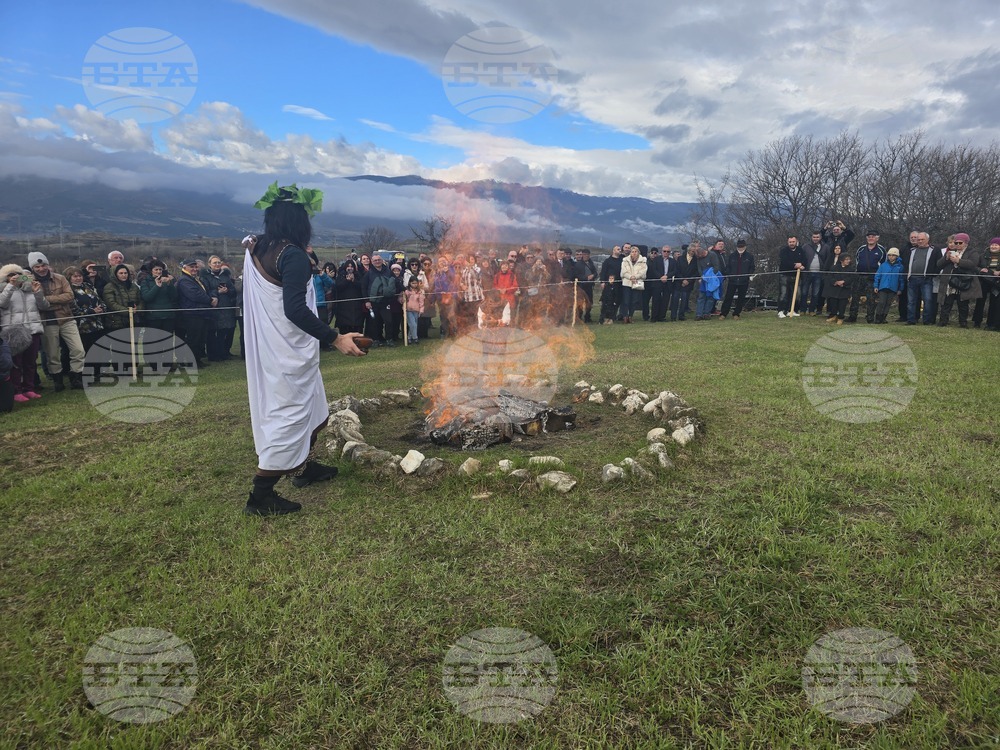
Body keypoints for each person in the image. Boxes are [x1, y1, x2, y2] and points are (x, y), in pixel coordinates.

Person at [242, 182, 365, 516]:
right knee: (289, 417)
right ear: (298, 222)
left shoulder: (259, 247)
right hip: (286, 352)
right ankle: (260, 496)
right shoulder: (292, 255)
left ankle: (303, 469)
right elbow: (294, 310)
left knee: (314, 410)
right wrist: (335, 337)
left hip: (278, 348)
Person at [29, 252, 86, 391]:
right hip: (47, 321)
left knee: (78, 350)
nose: (41, 269)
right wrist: (57, 300)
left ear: (48, 265)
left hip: (66, 318)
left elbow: (69, 296)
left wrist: (46, 299)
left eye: (43, 265)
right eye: (37, 267)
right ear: (33, 268)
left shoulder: (60, 278)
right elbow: (35, 304)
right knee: (52, 354)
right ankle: (58, 380)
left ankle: (76, 377)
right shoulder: (29, 282)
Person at [0, 264, 49, 402]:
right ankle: (16, 390)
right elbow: (2, 303)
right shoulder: (4, 290)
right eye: (11, 275)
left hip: (33, 329)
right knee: (16, 363)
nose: (15, 277)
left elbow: (44, 306)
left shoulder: (29, 289)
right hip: (13, 332)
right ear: (5, 277)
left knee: (30, 362)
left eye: (18, 274)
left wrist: (38, 292)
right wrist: (11, 286)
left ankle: (29, 388)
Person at [937, 233, 982, 328]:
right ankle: (943, 321)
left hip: (964, 281)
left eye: (959, 243)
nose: (957, 245)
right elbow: (939, 264)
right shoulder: (950, 251)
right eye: (956, 242)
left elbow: (973, 264)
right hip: (949, 281)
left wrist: (958, 261)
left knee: (963, 303)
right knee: (946, 303)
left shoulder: (972, 252)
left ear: (966, 243)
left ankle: (963, 322)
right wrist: (946, 258)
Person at [176, 258, 215, 368]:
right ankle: (190, 362)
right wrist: (210, 300)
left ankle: (197, 359)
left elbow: (206, 290)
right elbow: (195, 295)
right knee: (193, 339)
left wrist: (212, 296)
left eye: (195, 267)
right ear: (184, 268)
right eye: (191, 267)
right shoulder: (184, 280)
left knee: (200, 338)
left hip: (200, 313)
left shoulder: (194, 279)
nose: (194, 269)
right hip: (192, 314)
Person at [65, 265, 107, 356]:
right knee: (86, 351)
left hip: (97, 324)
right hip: (82, 327)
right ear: (69, 278)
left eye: (80, 276)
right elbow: (73, 309)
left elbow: (99, 299)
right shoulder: (69, 290)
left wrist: (102, 308)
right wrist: (91, 311)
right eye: (75, 276)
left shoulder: (88, 286)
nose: (78, 278)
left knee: (99, 351)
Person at [204, 255, 240, 361]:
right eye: (214, 263)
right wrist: (217, 292)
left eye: (219, 262)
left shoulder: (225, 277)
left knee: (224, 332)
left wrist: (227, 290)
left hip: (227, 307)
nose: (217, 265)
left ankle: (224, 353)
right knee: (212, 334)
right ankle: (213, 355)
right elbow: (205, 291)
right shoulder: (205, 277)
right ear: (209, 264)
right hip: (214, 309)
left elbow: (234, 291)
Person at [851, 229, 886, 323]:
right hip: (859, 276)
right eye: (869, 237)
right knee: (855, 297)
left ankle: (870, 317)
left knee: (871, 299)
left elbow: (883, 265)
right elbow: (857, 261)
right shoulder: (861, 249)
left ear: (877, 238)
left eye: (873, 237)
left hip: (872, 277)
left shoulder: (881, 250)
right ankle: (852, 316)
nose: (871, 238)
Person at [905, 232, 939, 325]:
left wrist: (932, 274)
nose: (919, 241)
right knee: (911, 301)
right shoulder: (912, 250)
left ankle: (927, 320)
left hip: (926, 279)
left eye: (922, 239)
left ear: (927, 240)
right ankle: (911, 320)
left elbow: (938, 264)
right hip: (912, 279)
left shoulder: (934, 250)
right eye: (918, 239)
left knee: (928, 300)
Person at [720, 240, 755, 319]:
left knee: (741, 298)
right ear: (737, 247)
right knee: (728, 297)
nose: (740, 248)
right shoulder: (732, 256)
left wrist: (748, 275)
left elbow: (752, 267)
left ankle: (736, 313)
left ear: (745, 246)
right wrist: (729, 274)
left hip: (744, 281)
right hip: (732, 280)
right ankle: (723, 313)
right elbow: (728, 267)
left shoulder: (749, 256)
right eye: (739, 246)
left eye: (742, 246)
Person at [972, 237, 1000, 330]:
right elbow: (975, 266)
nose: (994, 246)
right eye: (992, 245)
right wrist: (980, 270)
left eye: (996, 245)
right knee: (980, 301)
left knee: (994, 302)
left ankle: (991, 323)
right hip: (984, 280)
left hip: (997, 282)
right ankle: (977, 321)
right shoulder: (983, 255)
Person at [873, 247, 905, 323]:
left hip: (893, 288)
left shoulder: (900, 267)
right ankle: (877, 317)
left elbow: (901, 279)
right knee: (881, 302)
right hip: (883, 287)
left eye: (893, 255)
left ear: (897, 256)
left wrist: (900, 289)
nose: (891, 257)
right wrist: (876, 286)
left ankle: (883, 317)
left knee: (888, 303)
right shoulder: (883, 265)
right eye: (889, 255)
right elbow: (878, 275)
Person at [777, 235, 805, 318]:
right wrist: (795, 265)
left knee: (797, 294)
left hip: (797, 275)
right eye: (790, 242)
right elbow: (785, 262)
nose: (792, 243)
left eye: (793, 242)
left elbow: (804, 260)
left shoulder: (801, 250)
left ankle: (792, 310)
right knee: (783, 293)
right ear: (787, 242)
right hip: (784, 275)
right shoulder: (783, 251)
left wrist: (802, 265)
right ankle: (781, 311)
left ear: (796, 242)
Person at [334, 260, 365, 335]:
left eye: (351, 266)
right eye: (348, 266)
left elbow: (362, 287)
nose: (350, 268)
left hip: (356, 304)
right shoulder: (341, 276)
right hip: (344, 305)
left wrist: (354, 281)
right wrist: (347, 281)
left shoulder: (358, 275)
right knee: (345, 324)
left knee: (357, 323)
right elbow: (338, 287)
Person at [619, 245, 646, 324]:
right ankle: (625, 316)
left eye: (635, 252)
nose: (634, 253)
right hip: (627, 283)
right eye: (632, 252)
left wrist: (635, 277)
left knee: (634, 301)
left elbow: (643, 271)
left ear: (638, 253)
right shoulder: (625, 260)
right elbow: (623, 272)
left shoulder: (643, 260)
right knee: (626, 301)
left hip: (637, 283)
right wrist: (631, 277)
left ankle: (630, 316)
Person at [824, 253, 853, 324]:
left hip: (844, 289)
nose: (848, 261)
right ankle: (833, 315)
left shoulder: (851, 269)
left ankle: (840, 317)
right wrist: (836, 282)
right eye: (846, 259)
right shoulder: (834, 267)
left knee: (842, 305)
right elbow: (830, 277)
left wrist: (843, 282)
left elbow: (851, 278)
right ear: (841, 260)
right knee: (833, 303)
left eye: (849, 259)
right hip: (834, 288)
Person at [404, 277, 424, 344]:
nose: (414, 285)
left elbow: (421, 301)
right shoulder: (407, 291)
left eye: (416, 283)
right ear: (410, 283)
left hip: (416, 310)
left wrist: (421, 310)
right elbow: (403, 299)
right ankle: (415, 338)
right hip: (409, 310)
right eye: (413, 283)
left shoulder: (419, 291)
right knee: (413, 324)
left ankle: (409, 337)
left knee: (413, 325)